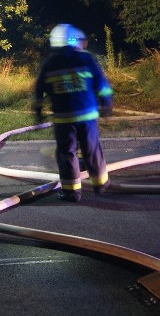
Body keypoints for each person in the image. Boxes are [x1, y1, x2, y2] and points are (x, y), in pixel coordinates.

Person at [33, 24, 113, 203]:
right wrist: (107, 105)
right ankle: (101, 185)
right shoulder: (86, 59)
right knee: (92, 150)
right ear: (74, 39)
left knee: (66, 153)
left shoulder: (50, 63)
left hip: (64, 118)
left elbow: (38, 92)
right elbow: (101, 85)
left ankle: (71, 193)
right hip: (88, 116)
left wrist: (38, 113)